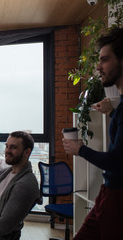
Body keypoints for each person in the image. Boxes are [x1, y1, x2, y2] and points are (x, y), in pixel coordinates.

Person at [62, 27, 123, 240]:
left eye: (105, 60)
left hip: (118, 197)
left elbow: (117, 161)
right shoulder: (120, 106)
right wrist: (111, 112)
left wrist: (80, 149)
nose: (98, 67)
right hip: (107, 194)